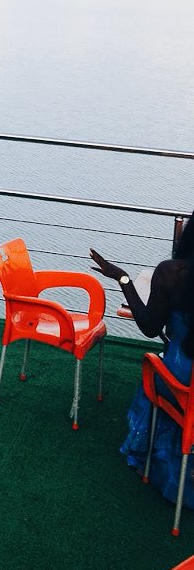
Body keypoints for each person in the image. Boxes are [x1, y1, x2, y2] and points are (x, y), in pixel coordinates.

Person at [90, 211, 194, 505]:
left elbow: (149, 328)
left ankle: (155, 459)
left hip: (181, 381)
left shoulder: (172, 273)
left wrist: (121, 277)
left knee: (155, 368)